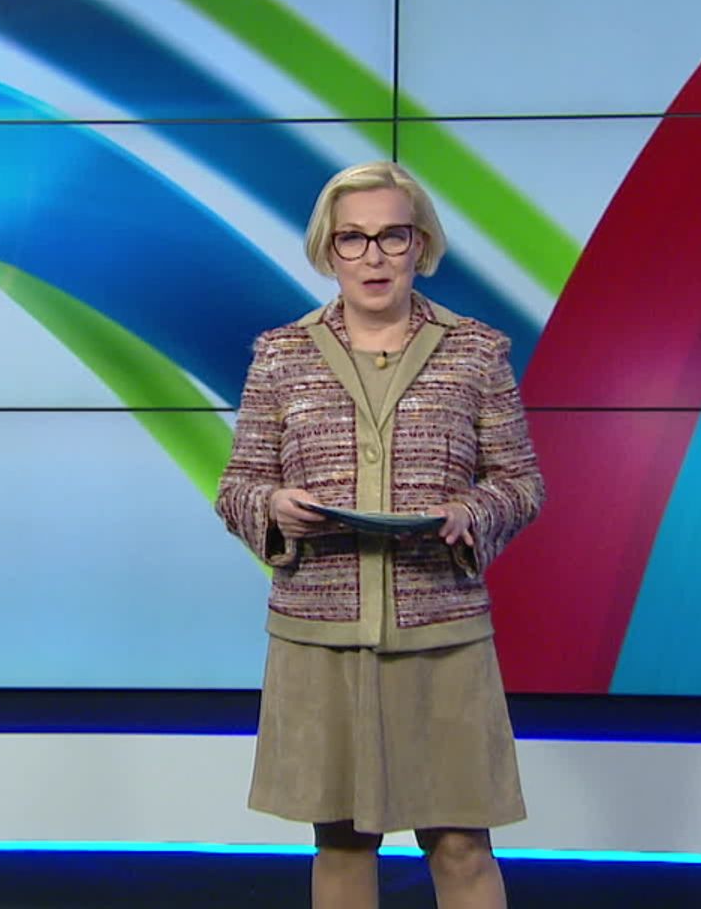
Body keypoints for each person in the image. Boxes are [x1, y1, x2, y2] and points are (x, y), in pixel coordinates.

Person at [215, 160, 545, 909]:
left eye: (392, 236)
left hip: (442, 637)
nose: (373, 256)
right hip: (320, 637)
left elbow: (520, 482)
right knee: (341, 841)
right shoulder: (281, 354)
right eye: (353, 238)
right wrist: (274, 507)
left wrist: (473, 514)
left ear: (420, 245)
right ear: (328, 249)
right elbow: (238, 487)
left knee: (461, 843)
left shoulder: (476, 351)